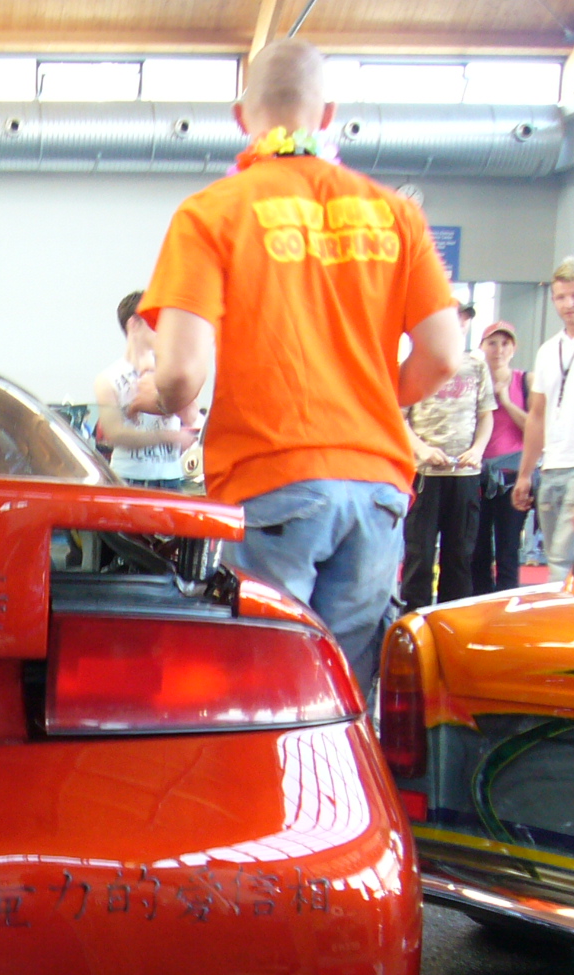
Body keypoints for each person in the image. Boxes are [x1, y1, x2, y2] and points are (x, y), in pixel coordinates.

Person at [131, 39, 461, 690]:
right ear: (329, 115)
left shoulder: (212, 213)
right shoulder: (397, 214)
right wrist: (367, 400)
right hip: (376, 486)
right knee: (343, 691)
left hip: (271, 477)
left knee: (265, 687)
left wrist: (151, 395)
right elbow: (445, 356)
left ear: (240, 117)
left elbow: (181, 376)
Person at [511, 256, 574, 583]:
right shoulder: (549, 350)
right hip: (552, 467)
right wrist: (525, 474)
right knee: (555, 561)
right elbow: (537, 415)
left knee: (569, 564)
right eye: (561, 297)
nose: (569, 304)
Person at [400, 303, 494, 608]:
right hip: (425, 475)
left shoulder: (476, 366)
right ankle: (415, 618)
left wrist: (477, 450)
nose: (459, 323)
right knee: (420, 555)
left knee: (460, 556)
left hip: (464, 474)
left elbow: (486, 415)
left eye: (463, 318)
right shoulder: (412, 365)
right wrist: (423, 449)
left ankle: (453, 618)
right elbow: (399, 418)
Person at [93, 291, 196, 490]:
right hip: (129, 479)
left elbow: (191, 415)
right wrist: (169, 437)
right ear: (134, 323)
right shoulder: (108, 378)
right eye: (153, 320)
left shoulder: (169, 370)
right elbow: (115, 434)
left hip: (171, 478)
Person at [470, 320, 532, 594]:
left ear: (513, 348)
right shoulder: (473, 383)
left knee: (508, 546)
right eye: (492, 343)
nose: (498, 350)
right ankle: (480, 600)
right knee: (477, 547)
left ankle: (507, 600)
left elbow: (534, 428)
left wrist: (505, 400)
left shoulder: (525, 381)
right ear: (482, 347)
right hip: (478, 474)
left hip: (512, 475)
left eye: (505, 343)